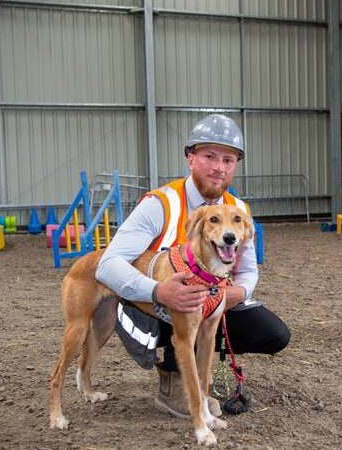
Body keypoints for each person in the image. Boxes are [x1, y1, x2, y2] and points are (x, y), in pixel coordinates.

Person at [96, 114, 290, 415]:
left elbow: (249, 270)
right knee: (185, 301)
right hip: (147, 304)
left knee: (272, 333)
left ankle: (201, 370)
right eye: (209, 156)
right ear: (190, 157)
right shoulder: (160, 203)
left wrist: (235, 294)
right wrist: (158, 291)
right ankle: (172, 376)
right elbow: (107, 265)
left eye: (228, 160)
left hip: (206, 301)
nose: (219, 167)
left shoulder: (238, 211)